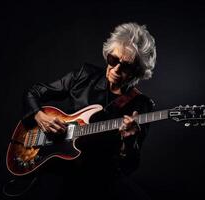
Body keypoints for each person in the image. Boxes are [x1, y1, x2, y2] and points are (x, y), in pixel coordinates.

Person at [20, 22, 157, 200]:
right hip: (60, 166)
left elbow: (129, 166)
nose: (116, 69)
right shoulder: (84, 75)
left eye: (126, 67)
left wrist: (129, 143)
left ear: (138, 71)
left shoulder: (140, 105)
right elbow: (33, 93)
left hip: (101, 178)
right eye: (113, 60)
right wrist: (39, 115)